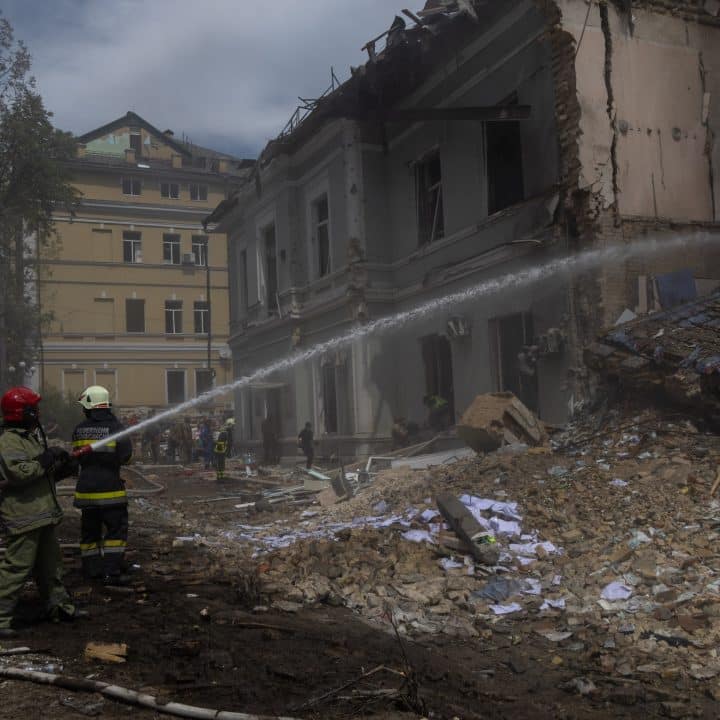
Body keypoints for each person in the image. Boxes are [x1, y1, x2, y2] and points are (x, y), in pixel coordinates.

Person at [0, 386, 81, 638]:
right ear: (20, 412)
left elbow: (39, 476)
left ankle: (59, 608)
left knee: (51, 567)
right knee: (16, 569)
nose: (37, 413)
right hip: (24, 515)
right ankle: (1, 618)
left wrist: (64, 467)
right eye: (33, 409)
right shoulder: (8, 441)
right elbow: (18, 473)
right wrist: (45, 460)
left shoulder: (28, 438)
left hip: (42, 513)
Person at [72, 385, 132, 585]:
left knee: (89, 534)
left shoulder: (79, 429)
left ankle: (92, 571)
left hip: (86, 492)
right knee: (115, 532)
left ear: (89, 406)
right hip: (110, 492)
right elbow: (126, 457)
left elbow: (77, 459)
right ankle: (111, 571)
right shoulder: (116, 428)